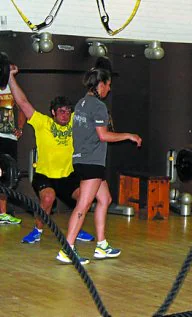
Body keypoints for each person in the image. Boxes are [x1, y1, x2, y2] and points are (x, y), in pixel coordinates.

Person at [56, 67, 141, 265]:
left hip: (82, 159)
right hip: (91, 162)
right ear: (100, 84)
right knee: (83, 205)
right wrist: (129, 135)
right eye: (108, 85)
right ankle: (67, 249)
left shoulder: (81, 103)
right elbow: (103, 136)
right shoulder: (98, 106)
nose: (109, 89)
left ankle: (101, 245)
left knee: (105, 198)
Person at [7, 67, 95, 243]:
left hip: (67, 176)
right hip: (44, 174)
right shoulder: (42, 123)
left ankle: (75, 230)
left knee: (85, 198)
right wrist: (10, 77)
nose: (66, 114)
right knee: (48, 198)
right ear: (53, 112)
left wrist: (96, 74)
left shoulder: (74, 123)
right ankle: (37, 231)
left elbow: (90, 97)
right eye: (61, 111)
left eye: (68, 111)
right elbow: (23, 102)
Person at [0, 79, 25, 224]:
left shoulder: (12, 88)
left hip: (9, 137)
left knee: (6, 175)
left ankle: (2, 213)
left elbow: (22, 108)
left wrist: (20, 128)